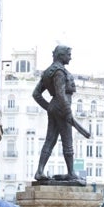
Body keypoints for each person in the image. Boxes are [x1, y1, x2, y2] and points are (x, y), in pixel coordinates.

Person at [32, 45, 78, 181]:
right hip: (63, 108)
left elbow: (36, 94)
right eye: (68, 54)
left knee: (50, 140)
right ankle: (71, 173)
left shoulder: (48, 72)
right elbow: (61, 94)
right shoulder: (59, 72)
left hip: (55, 107)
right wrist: (67, 112)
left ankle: (40, 171)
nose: (70, 57)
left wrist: (50, 107)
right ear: (61, 55)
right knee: (67, 141)